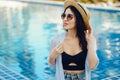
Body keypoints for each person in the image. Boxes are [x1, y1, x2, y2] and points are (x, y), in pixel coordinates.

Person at [48, 0, 99, 80]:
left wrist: (90, 42)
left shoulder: (89, 39)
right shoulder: (56, 40)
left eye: (69, 16)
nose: (65, 19)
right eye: (63, 15)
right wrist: (53, 55)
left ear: (78, 20)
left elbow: (92, 66)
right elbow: (51, 62)